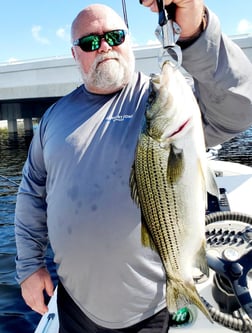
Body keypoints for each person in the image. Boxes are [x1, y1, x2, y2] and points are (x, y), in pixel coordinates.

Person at [15, 1, 252, 332]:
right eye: (89, 42)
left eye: (114, 35)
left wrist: (196, 31)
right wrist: (28, 265)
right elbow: (31, 191)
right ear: (74, 54)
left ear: (130, 41)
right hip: (73, 303)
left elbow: (239, 108)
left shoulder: (162, 100)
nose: (105, 46)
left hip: (148, 310)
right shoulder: (53, 118)